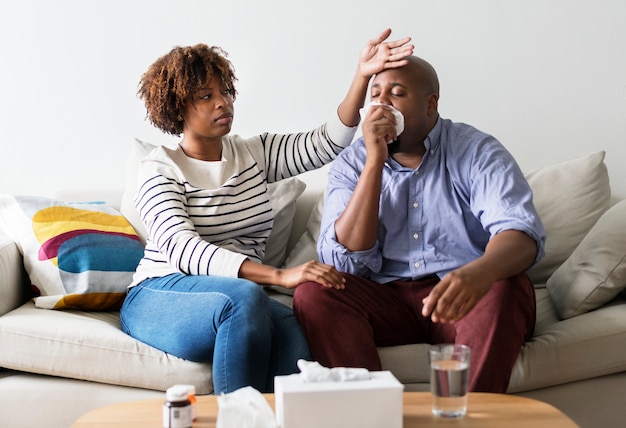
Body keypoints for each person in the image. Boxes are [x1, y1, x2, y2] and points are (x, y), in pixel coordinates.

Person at [119, 29, 414, 394]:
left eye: (225, 91)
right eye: (206, 96)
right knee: (244, 297)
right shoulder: (159, 168)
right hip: (163, 293)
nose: (222, 103)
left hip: (239, 295)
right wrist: (279, 276)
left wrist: (362, 75)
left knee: (293, 325)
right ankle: (238, 418)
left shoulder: (253, 154)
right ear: (177, 106)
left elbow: (328, 142)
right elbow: (182, 248)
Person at [293, 55, 546, 393]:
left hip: (463, 296)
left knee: (506, 284)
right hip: (387, 301)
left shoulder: (476, 151)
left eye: (396, 93)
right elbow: (342, 263)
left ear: (431, 104)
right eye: (376, 94)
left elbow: (521, 232)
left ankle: (465, 416)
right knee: (315, 292)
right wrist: (373, 163)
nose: (382, 105)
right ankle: (370, 414)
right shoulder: (352, 163)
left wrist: (480, 272)